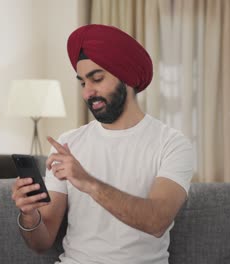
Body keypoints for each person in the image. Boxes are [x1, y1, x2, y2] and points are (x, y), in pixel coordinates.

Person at [11, 24, 193, 264]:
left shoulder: (171, 144)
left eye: (96, 78)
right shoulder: (67, 144)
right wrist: (29, 214)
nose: (87, 93)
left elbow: (157, 221)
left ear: (126, 77)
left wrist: (87, 182)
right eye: (82, 83)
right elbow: (41, 242)